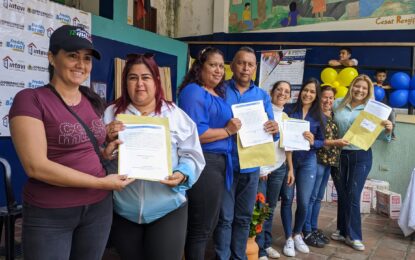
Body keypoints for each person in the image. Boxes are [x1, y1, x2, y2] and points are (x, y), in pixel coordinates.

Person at [9, 25, 134, 260]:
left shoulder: (91, 99)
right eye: (72, 56)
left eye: (87, 58)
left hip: (98, 210)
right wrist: (101, 183)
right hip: (51, 213)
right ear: (51, 58)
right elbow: (36, 166)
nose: (81, 64)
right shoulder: (30, 100)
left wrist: (105, 153)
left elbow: (85, 149)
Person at [103, 53, 205, 260]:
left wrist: (182, 174)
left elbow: (192, 154)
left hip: (167, 208)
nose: (139, 84)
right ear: (125, 82)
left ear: (156, 81)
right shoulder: (112, 114)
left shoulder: (174, 114)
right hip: (124, 209)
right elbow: (97, 157)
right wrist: (106, 144)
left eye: (146, 77)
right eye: (133, 78)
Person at [214, 46, 279, 260]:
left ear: (255, 68)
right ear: (232, 65)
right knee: (224, 218)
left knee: (243, 218)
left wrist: (274, 129)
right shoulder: (220, 91)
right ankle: (222, 257)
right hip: (225, 164)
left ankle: (238, 257)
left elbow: (271, 133)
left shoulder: (262, 96)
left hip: (251, 166)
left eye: (250, 64)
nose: (245, 68)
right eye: (241, 62)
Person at [178, 47, 240, 260]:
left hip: (220, 162)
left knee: (208, 225)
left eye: (222, 66)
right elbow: (196, 132)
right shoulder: (194, 91)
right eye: (212, 65)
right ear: (199, 67)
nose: (218, 70)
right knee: (200, 228)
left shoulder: (217, 93)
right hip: (205, 162)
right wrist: (227, 131)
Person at [331, 74, 393, 251]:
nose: (360, 90)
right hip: (339, 154)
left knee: (352, 194)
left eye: (364, 88)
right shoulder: (338, 103)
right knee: (343, 193)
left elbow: (379, 136)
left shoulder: (373, 110)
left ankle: (354, 235)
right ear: (352, 87)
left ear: (368, 91)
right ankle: (342, 230)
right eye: (357, 86)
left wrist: (387, 129)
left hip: (361, 155)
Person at [280, 78, 325, 257]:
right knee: (287, 199)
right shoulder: (289, 109)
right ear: (301, 92)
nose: (308, 94)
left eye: (312, 92)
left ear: (316, 95)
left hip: (308, 161)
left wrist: (314, 141)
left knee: (305, 202)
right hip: (288, 160)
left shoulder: (319, 115)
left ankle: (298, 233)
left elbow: (322, 141)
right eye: (306, 90)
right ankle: (288, 238)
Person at [302, 85, 349, 248]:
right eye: (325, 97)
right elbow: (313, 140)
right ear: (319, 98)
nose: (328, 100)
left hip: (330, 161)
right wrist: (336, 142)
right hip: (317, 159)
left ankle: (313, 227)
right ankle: (306, 230)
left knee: (318, 197)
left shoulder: (333, 114)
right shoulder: (315, 115)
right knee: (312, 197)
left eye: (331, 98)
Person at [256, 81, 295, 260]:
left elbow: (288, 147)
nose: (282, 93)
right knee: (259, 208)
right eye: (279, 89)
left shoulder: (286, 117)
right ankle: (258, 249)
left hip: (279, 167)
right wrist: (261, 168)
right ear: (272, 92)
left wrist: (290, 169)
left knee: (270, 208)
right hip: (263, 170)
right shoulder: (262, 112)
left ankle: (265, 244)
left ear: (290, 96)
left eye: (286, 91)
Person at [374, 69, 396, 139]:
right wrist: (375, 85)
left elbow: (392, 86)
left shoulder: (386, 84)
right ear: (375, 77)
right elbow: (368, 83)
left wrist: (382, 87)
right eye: (379, 76)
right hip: (376, 106)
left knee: (393, 115)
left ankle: (391, 132)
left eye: (383, 76)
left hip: (386, 107)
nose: (381, 78)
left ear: (386, 77)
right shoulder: (373, 84)